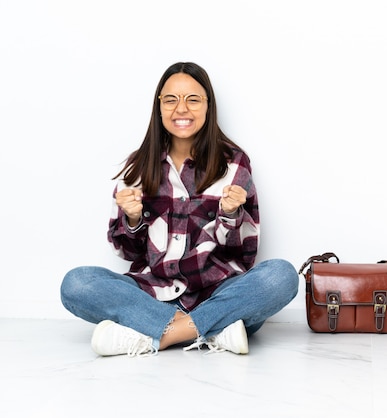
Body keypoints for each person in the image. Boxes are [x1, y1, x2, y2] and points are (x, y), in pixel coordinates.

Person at [60, 62, 299, 357]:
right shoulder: (137, 167)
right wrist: (132, 218)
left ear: (208, 106)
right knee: (76, 283)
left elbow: (245, 256)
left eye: (193, 99)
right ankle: (211, 331)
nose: (181, 109)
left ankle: (153, 335)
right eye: (171, 99)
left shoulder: (234, 162)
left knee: (281, 276)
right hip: (151, 295)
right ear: (159, 107)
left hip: (218, 294)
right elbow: (127, 254)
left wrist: (231, 215)